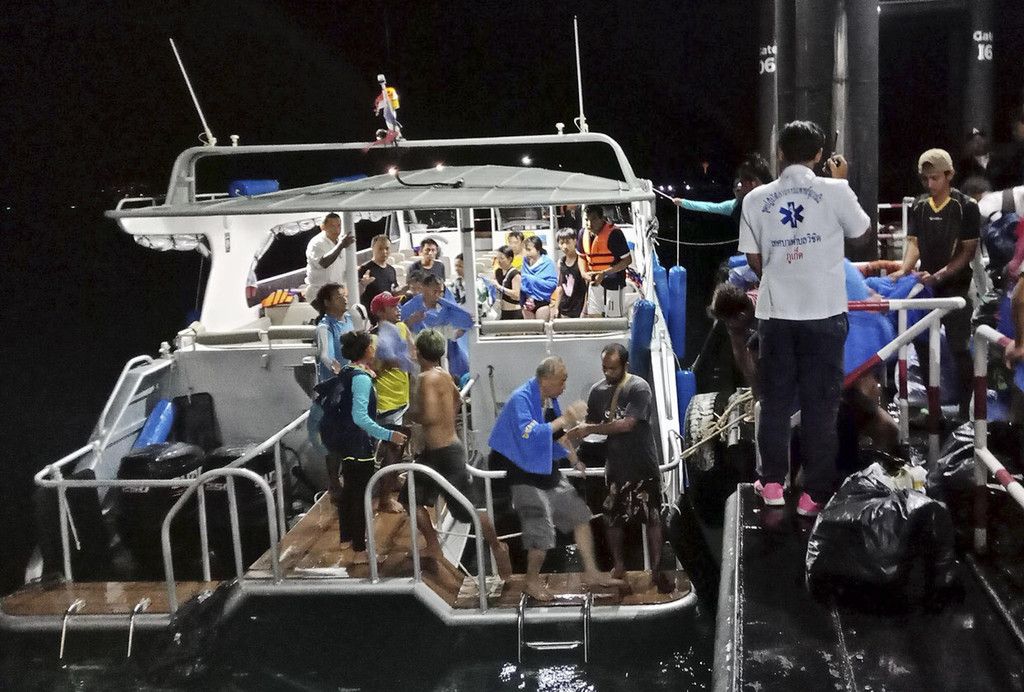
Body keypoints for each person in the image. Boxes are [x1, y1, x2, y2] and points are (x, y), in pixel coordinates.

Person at [738, 120, 870, 517]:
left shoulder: (755, 199)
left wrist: (781, 275)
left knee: (774, 402)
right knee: (821, 406)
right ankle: (813, 496)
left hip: (776, 315)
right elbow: (861, 232)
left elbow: (753, 258)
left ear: (779, 153)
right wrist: (841, 182)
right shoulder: (835, 190)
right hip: (825, 314)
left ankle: (773, 485)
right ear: (819, 154)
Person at [487, 356, 621, 601]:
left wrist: (574, 460)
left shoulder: (550, 400)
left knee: (580, 516)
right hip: (522, 472)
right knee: (541, 530)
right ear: (545, 380)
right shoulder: (520, 399)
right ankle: (531, 581)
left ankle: (592, 572)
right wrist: (567, 418)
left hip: (546, 468)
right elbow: (530, 434)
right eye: (562, 380)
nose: (565, 386)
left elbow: (559, 435)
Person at [404, 329, 512, 578]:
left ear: (420, 352)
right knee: (410, 497)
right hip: (442, 450)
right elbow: (458, 401)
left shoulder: (426, 378)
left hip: (443, 453)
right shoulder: (443, 374)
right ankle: (434, 546)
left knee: (467, 509)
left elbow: (429, 416)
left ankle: (497, 546)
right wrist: (447, 420)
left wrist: (411, 414)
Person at [568, 344, 673, 593]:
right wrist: (572, 432)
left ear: (625, 366)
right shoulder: (597, 391)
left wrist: (590, 429)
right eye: (604, 368)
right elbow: (591, 423)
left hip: (642, 463)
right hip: (615, 465)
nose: (607, 373)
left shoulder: (639, 388)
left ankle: (656, 568)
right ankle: (619, 566)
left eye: (613, 369)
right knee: (611, 517)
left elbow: (628, 424)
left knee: (652, 517)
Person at [891, 148, 980, 417]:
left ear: (949, 175)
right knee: (921, 343)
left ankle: (966, 411)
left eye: (935, 178)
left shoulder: (966, 206)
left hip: (957, 287)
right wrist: (904, 270)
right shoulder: (919, 206)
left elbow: (967, 251)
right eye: (925, 179)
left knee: (959, 346)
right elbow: (914, 244)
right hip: (927, 286)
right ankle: (934, 408)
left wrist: (941, 274)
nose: (930, 184)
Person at [318, 331, 408, 564]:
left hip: (346, 442)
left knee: (350, 491)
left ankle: (346, 538)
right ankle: (360, 550)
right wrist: (389, 435)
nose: (375, 349)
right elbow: (360, 418)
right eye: (372, 346)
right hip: (357, 445)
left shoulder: (347, 371)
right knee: (360, 496)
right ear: (367, 350)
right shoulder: (361, 379)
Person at [672, 154, 774, 228]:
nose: (739, 188)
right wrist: (683, 202)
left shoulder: (772, 200)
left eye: (742, 184)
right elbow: (708, 207)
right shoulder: (734, 206)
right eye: (738, 187)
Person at [580, 206, 632, 317]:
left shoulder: (615, 234)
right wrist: (583, 273)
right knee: (594, 317)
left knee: (613, 318)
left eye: (593, 219)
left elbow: (627, 260)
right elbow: (581, 256)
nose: (589, 224)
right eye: (587, 220)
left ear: (602, 218)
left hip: (614, 282)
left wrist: (604, 273)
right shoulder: (582, 234)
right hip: (593, 283)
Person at [305, 212, 355, 300]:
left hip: (336, 293)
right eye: (332, 226)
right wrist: (341, 245)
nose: (337, 230)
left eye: (339, 226)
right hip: (319, 293)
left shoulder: (341, 241)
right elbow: (323, 263)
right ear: (323, 227)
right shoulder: (316, 243)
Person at [310, 283, 353, 383]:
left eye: (345, 296)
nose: (345, 300)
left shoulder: (350, 319)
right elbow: (325, 356)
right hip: (335, 383)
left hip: (352, 377)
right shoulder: (325, 327)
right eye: (339, 298)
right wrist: (336, 369)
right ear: (327, 303)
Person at [359, 234, 398, 318]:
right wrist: (362, 285)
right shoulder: (364, 269)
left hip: (387, 317)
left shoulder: (391, 270)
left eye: (387, 248)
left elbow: (393, 292)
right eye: (380, 248)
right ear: (372, 248)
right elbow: (355, 294)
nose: (384, 252)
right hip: (370, 318)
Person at [519, 236, 558, 320]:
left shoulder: (547, 262)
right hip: (527, 301)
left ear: (538, 249)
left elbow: (552, 284)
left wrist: (530, 279)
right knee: (529, 328)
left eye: (529, 249)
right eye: (525, 249)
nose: (527, 252)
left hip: (542, 301)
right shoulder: (525, 261)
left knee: (541, 326)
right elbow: (522, 282)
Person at [552, 228, 587, 319]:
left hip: (579, 308)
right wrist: (556, 307)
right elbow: (560, 286)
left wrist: (584, 310)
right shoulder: (561, 262)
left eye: (568, 242)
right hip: (564, 308)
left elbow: (588, 288)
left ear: (575, 241)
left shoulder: (582, 260)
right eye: (561, 243)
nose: (564, 246)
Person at [486, 245, 522, 320]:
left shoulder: (515, 274)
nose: (499, 261)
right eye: (498, 258)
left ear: (510, 259)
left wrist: (499, 287)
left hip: (514, 311)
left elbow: (516, 294)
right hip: (501, 311)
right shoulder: (498, 272)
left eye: (502, 258)